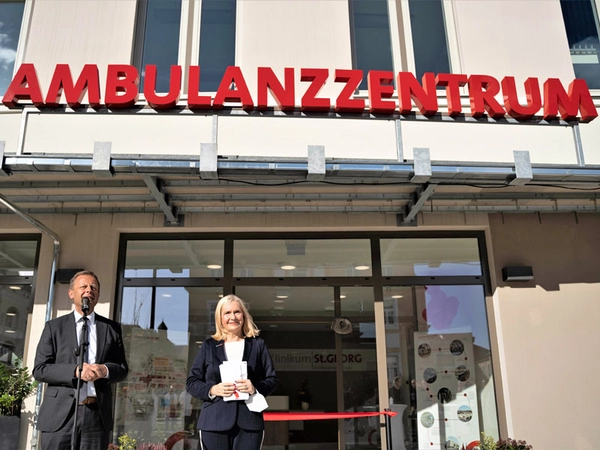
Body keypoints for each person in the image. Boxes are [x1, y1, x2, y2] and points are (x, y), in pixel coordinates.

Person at [33, 270, 129, 450]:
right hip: (59, 416)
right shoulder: (54, 327)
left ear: (98, 295)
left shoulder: (111, 328)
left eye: (93, 287)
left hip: (95, 416)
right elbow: (40, 369)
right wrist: (75, 371)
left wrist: (105, 370)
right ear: (71, 293)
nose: (89, 290)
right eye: (83, 286)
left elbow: (122, 368)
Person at [186, 294, 278, 450]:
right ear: (220, 318)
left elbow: (272, 380)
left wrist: (255, 388)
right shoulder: (209, 346)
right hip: (214, 422)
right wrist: (212, 389)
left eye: (237, 312)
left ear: (243, 315)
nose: (232, 317)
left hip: (249, 422)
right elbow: (192, 382)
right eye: (227, 313)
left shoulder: (257, 344)